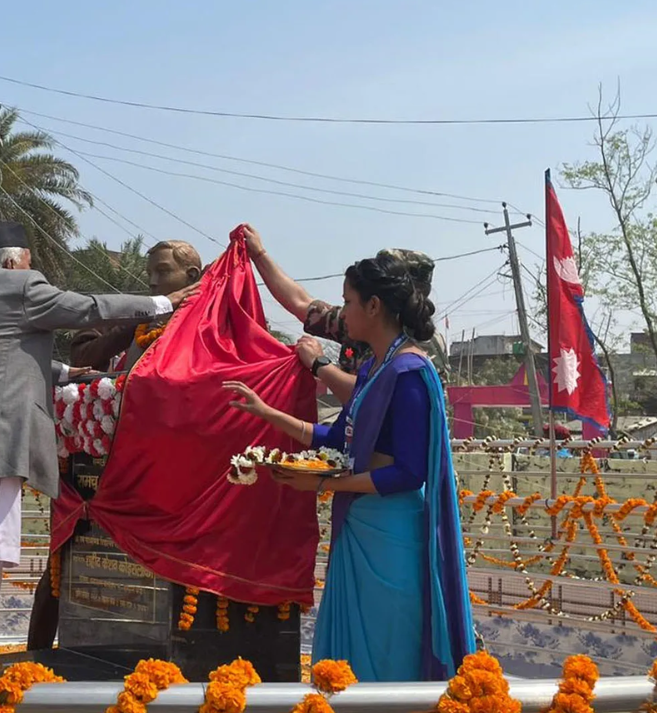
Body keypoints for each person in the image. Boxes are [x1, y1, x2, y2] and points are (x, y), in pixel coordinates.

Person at [0, 221, 199, 674]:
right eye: (29, 262)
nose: (35, 271)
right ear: (11, 263)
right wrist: (164, 304)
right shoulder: (17, 286)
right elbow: (88, 307)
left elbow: (2, 357)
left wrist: (70, 376)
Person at [223, 252, 474, 682]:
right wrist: (265, 412)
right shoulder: (376, 367)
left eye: (350, 303)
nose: (345, 313)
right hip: (358, 524)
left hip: (391, 536)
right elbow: (337, 439)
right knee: (348, 663)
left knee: (385, 657)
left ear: (374, 306)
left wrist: (325, 485)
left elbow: (410, 473)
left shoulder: (410, 371)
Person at [240, 224, 449, 403]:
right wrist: (259, 255)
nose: (344, 312)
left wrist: (320, 364)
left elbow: (374, 398)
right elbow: (302, 303)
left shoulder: (418, 348)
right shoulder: (358, 320)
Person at [69, 240, 204, 370]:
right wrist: (139, 321)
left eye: (163, 272)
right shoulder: (133, 316)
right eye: (150, 274)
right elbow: (81, 357)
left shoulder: (209, 319)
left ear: (191, 275)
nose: (152, 281)